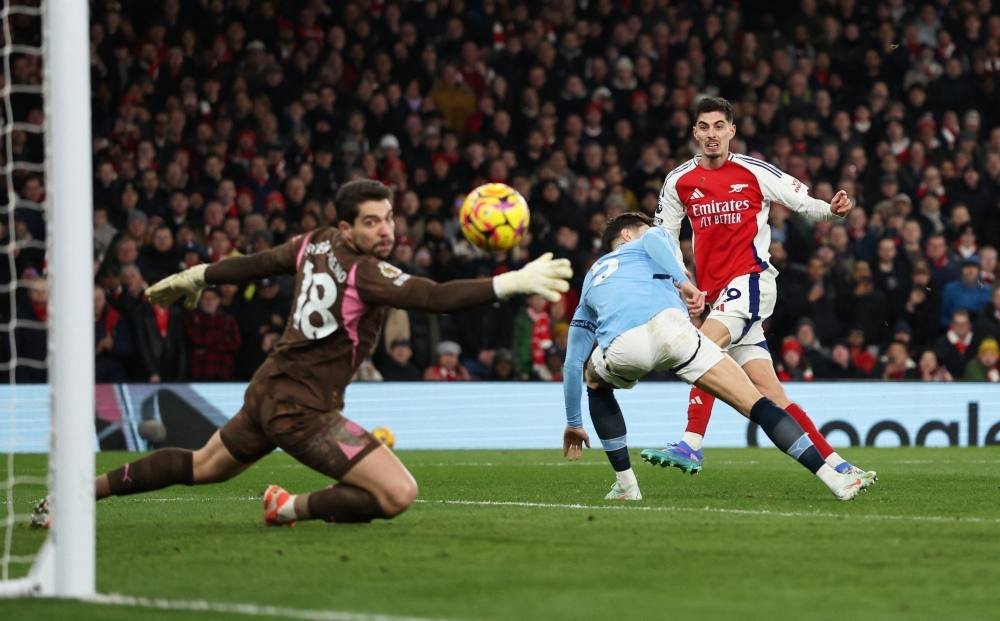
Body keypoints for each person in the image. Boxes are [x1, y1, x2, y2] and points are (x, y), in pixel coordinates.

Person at [35, 180, 571, 528]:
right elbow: (431, 296)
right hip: (303, 409)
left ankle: (78, 492)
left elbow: (258, 262)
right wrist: (510, 282)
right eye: (371, 222)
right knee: (397, 494)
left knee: (205, 465)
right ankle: (290, 507)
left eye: (388, 218)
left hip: (270, 388)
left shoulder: (313, 242)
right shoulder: (367, 271)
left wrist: (198, 275)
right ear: (347, 227)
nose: (385, 229)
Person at [562, 213, 875, 502]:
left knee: (594, 381)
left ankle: (627, 484)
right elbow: (655, 238)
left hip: (625, 346)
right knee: (759, 404)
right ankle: (834, 479)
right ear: (628, 236)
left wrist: (574, 422)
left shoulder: (592, 276)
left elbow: (572, 362)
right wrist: (685, 283)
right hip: (675, 333)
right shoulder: (652, 240)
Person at [651, 96, 870, 478]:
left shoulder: (753, 171)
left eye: (719, 126)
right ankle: (840, 466)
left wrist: (830, 211)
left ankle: (691, 443)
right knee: (773, 395)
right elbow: (664, 240)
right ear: (695, 133)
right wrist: (683, 285)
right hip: (717, 297)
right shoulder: (678, 181)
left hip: (752, 280)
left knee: (702, 347)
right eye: (704, 127)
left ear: (732, 130)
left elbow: (800, 201)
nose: (712, 134)